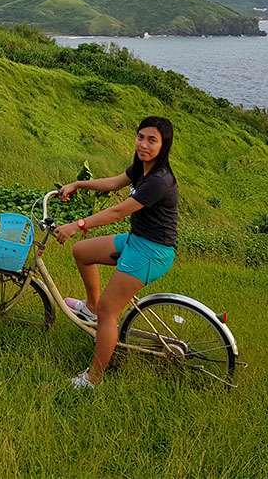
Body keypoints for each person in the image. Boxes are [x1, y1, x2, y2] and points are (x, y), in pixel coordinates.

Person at [54, 115, 178, 389]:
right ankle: (90, 308)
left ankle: (94, 378)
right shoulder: (141, 167)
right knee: (82, 252)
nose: (143, 144)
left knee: (110, 312)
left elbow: (119, 211)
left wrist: (78, 224)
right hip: (137, 240)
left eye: (152, 140)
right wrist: (78, 184)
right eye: (140, 137)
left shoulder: (160, 180)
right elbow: (113, 183)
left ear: (164, 145)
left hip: (152, 251)